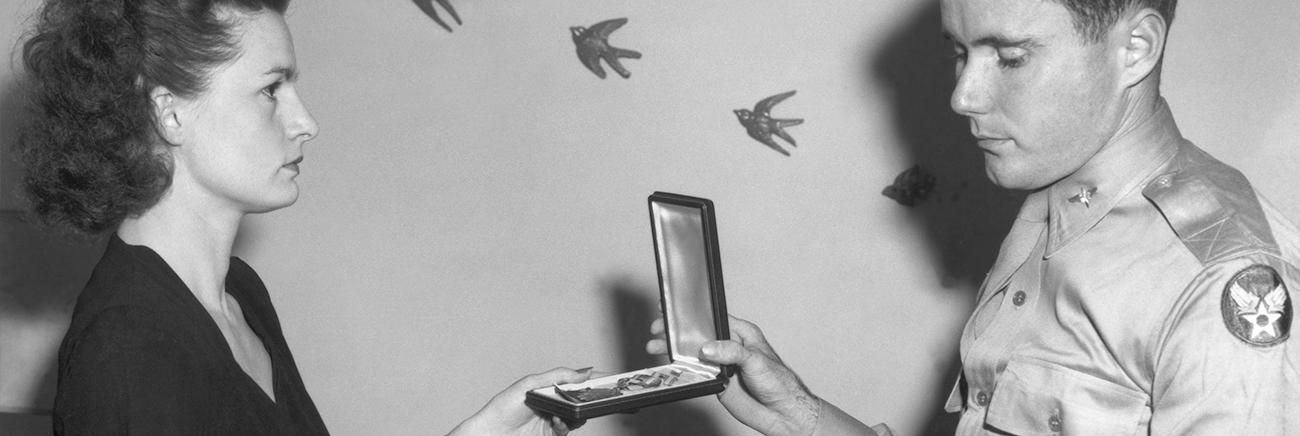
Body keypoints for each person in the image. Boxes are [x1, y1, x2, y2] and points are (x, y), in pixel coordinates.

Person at [648, 0, 1300, 434]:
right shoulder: (1051, 201)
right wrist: (800, 414)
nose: (963, 95)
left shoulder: (1221, 283)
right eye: (960, 52)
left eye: (1010, 57)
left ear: (1135, 47)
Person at [15, 0, 589, 434]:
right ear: (170, 114)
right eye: (272, 89)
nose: (305, 121)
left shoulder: (239, 294)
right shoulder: (130, 348)